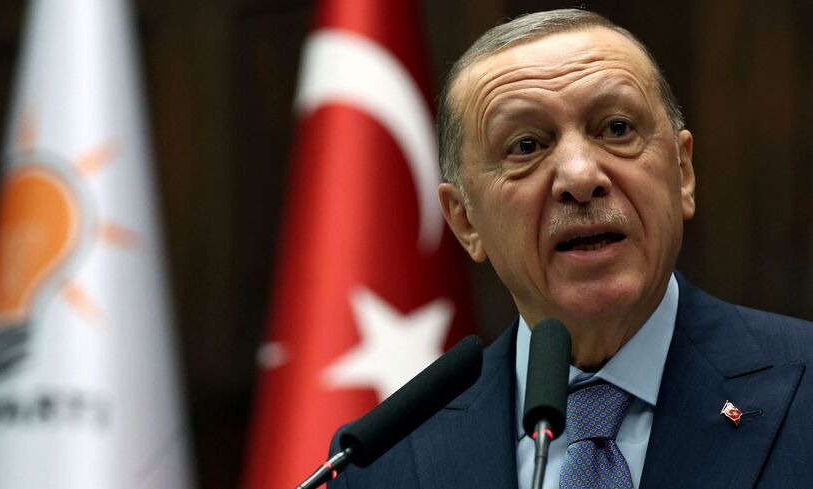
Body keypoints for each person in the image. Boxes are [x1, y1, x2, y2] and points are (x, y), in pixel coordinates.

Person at [329, 8, 813, 489]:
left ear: (682, 173)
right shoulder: (383, 461)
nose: (581, 177)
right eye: (525, 145)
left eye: (617, 128)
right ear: (464, 220)